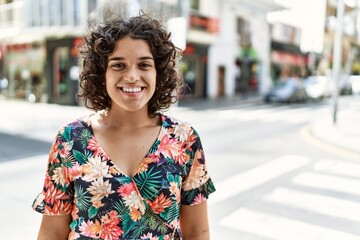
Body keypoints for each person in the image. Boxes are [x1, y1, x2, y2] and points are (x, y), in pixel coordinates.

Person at [32, 12, 216, 240]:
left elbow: (198, 232)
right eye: (118, 65)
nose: (131, 76)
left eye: (144, 64)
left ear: (158, 72)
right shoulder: (71, 139)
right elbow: (52, 232)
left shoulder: (184, 139)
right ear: (102, 73)